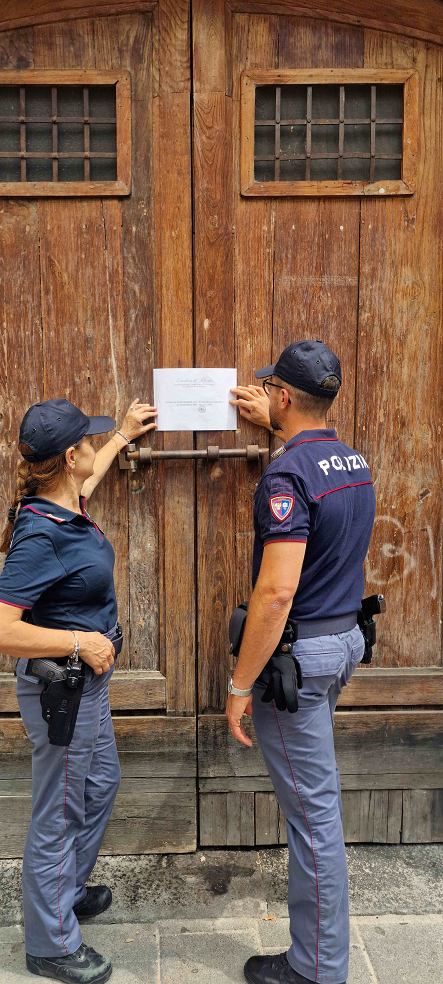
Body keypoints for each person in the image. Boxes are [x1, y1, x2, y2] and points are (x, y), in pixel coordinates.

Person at [0, 395, 157, 984]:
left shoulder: (63, 504)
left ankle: (63, 892)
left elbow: (88, 484)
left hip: (89, 687)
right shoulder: (40, 534)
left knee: (100, 782)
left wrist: (123, 437)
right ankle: (49, 942)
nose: (93, 447)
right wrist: (78, 642)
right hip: (64, 690)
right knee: (58, 809)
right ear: (68, 454)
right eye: (90, 440)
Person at [227, 341, 376, 984]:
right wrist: (279, 433)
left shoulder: (286, 477)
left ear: (283, 396)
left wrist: (239, 682)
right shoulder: (351, 460)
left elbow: (279, 589)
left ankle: (317, 969)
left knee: (315, 820)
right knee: (317, 809)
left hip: (299, 661)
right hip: (341, 642)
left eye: (271, 393)